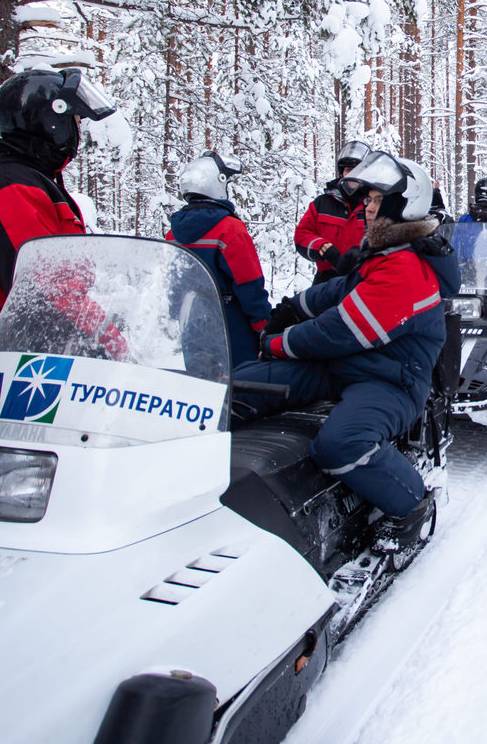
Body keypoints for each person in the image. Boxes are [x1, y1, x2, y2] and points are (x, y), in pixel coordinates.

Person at [237, 151, 459, 552]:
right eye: (368, 200)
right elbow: (338, 291)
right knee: (239, 386)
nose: (367, 208)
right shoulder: (383, 253)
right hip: (345, 366)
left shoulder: (405, 268)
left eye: (376, 201)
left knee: (341, 444)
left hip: (391, 378)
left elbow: (340, 329)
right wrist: (290, 308)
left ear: (402, 206)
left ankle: (412, 506)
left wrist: (277, 342)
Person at [0, 67, 117, 362]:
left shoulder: (26, 179)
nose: (77, 130)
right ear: (52, 121)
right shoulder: (10, 187)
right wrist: (112, 345)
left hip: (39, 344)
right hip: (35, 351)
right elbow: (44, 292)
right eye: (74, 121)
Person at [166, 151, 271, 368]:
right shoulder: (230, 229)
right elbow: (249, 285)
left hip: (192, 323)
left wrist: (176, 314)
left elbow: (173, 284)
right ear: (217, 184)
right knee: (240, 385)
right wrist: (264, 326)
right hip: (230, 323)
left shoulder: (172, 233)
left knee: (202, 385)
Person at [293, 140, 371, 283]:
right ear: (342, 173)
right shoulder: (323, 203)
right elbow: (301, 235)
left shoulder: (374, 205)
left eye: (357, 170)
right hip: (327, 278)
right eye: (348, 170)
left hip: (363, 279)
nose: (352, 175)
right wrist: (322, 247)